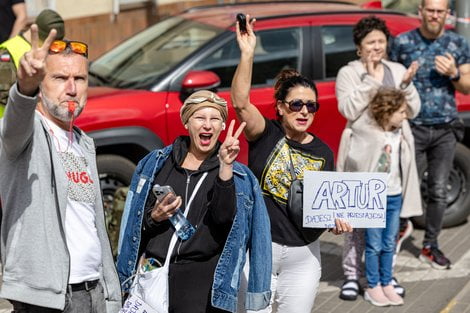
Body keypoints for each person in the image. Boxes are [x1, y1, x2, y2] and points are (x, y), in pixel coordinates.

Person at [231, 15, 352, 313]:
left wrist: (334, 222)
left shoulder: (324, 152)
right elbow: (241, 103)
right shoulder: (265, 133)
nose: (304, 111)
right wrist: (247, 53)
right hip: (260, 251)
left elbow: (323, 205)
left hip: (304, 257)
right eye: (296, 104)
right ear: (281, 108)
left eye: (311, 105)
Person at [0, 25, 121, 312]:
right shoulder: (26, 134)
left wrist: (109, 291)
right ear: (41, 84)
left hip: (93, 291)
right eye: (60, 77)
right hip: (47, 298)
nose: (72, 88)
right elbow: (14, 125)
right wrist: (24, 87)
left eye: (79, 78)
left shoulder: (83, 143)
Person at [117, 90, 272, 313]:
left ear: (222, 127)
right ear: (187, 123)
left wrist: (225, 168)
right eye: (200, 118)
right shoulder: (155, 164)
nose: (207, 125)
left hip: (201, 285)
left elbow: (224, 220)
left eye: (215, 119)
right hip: (152, 276)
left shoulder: (240, 177)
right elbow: (132, 224)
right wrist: (154, 217)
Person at [335, 15, 423, 302]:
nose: (376, 47)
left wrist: (408, 84)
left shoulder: (397, 70)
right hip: (360, 158)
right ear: (359, 48)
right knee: (355, 222)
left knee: (384, 232)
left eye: (381, 41)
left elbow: (413, 110)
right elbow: (348, 109)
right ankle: (352, 274)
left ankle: (383, 276)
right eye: (370, 42)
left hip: (392, 160)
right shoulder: (349, 73)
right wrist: (370, 81)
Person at [390, 0, 470, 269]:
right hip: (410, 127)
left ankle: (430, 245)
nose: (435, 15)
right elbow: (388, 82)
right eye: (430, 10)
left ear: (447, 14)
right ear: (421, 12)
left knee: (437, 189)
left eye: (440, 11)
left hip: (445, 128)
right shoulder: (402, 43)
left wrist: (454, 73)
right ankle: (399, 229)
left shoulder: (458, 45)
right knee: (399, 187)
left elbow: (468, 86)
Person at [0, 8, 65, 112]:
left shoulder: (46, 51)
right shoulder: (7, 53)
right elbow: (4, 97)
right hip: (10, 124)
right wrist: (29, 88)